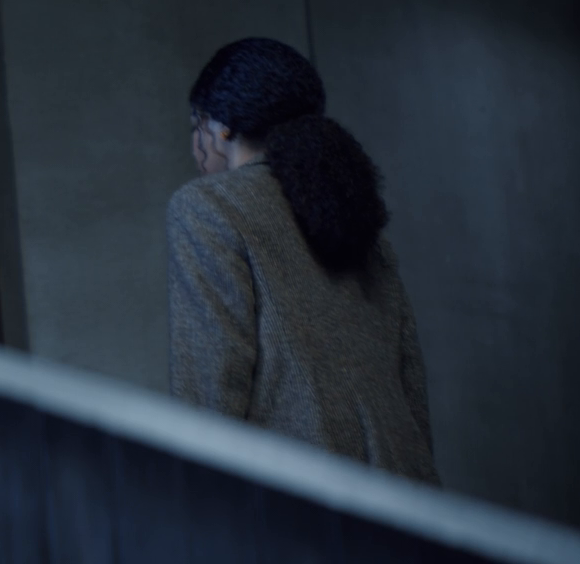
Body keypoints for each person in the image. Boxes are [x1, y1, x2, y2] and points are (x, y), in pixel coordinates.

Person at [168, 37, 439, 485]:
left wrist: (198, 498)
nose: (195, 145)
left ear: (221, 128)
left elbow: (210, 382)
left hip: (296, 498)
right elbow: (409, 381)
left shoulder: (208, 206)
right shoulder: (356, 214)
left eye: (196, 125)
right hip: (403, 493)